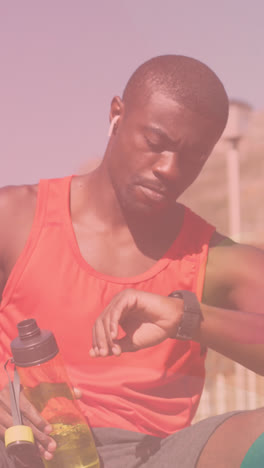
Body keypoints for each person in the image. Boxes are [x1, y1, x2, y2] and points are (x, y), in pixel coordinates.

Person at [0, 55, 263, 468]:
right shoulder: (13, 219)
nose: (169, 169)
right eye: (156, 144)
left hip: (155, 456)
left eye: (193, 156)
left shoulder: (214, 259)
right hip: (25, 449)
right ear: (116, 114)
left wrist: (188, 318)